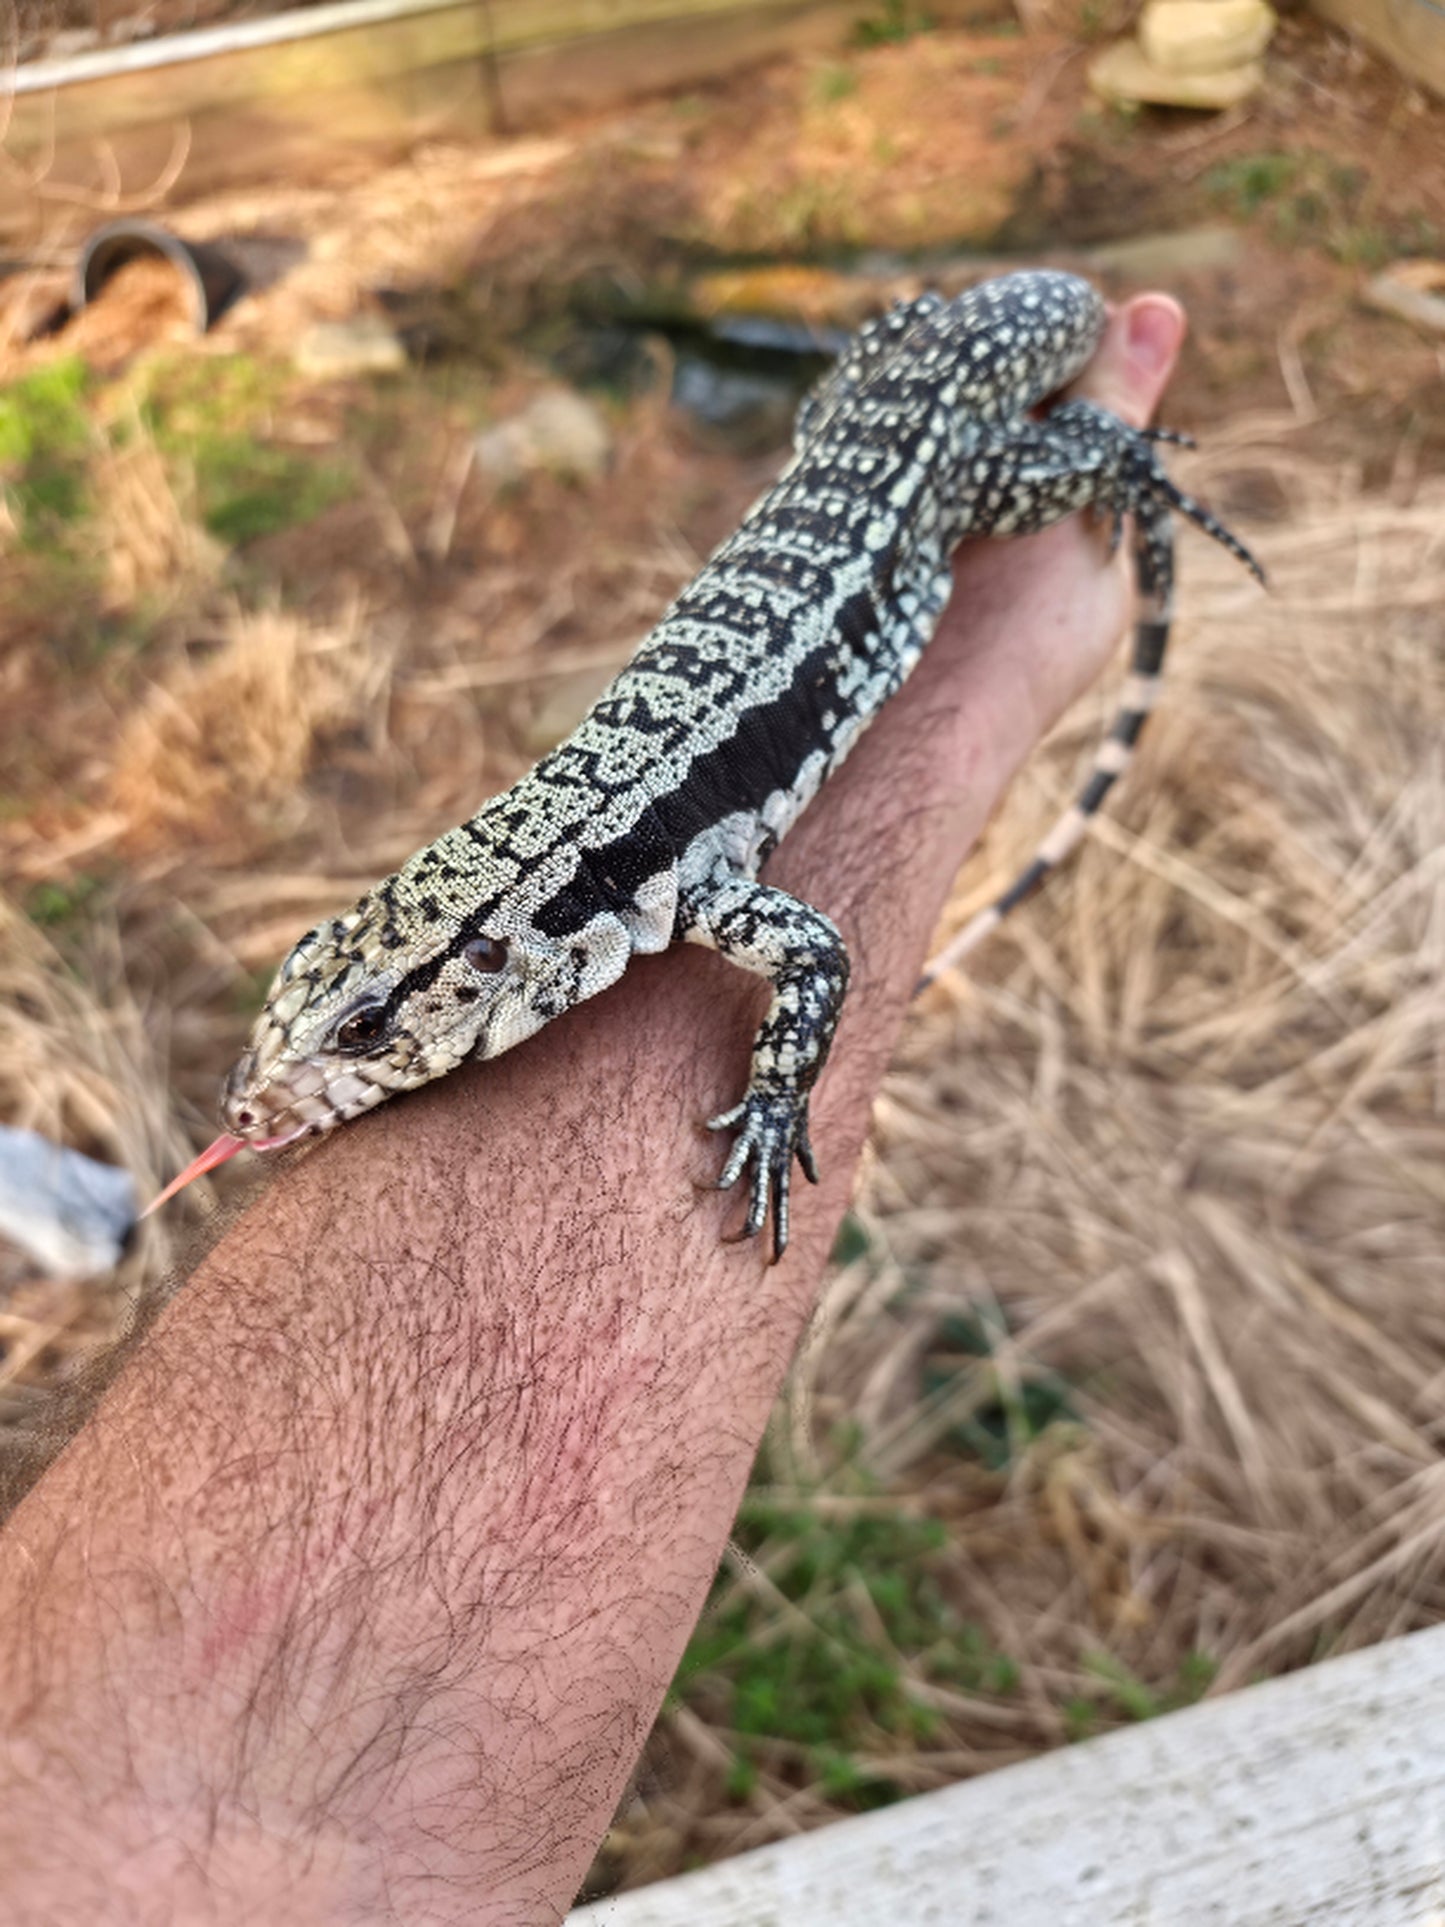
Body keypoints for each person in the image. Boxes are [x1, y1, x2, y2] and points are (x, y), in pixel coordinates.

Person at [0, 297, 1186, 1923]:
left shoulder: (674, 872)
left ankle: (1114, 456)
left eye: (366, 1035)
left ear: (498, 962)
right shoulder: (584, 879)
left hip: (920, 464)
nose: (298, 1088)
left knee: (1097, 457)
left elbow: (811, 955)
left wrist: (769, 1103)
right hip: (869, 456)